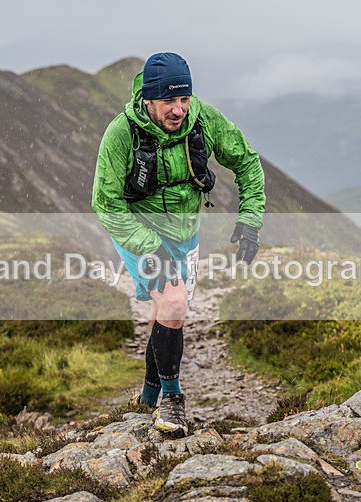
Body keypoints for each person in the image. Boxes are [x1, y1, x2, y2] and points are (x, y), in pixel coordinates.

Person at [92, 52, 265, 438]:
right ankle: (173, 400)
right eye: (169, 101)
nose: (179, 110)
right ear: (148, 100)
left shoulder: (204, 118)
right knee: (173, 302)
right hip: (138, 230)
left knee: (164, 311)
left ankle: (148, 398)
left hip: (185, 233)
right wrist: (147, 246)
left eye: (184, 99)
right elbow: (106, 204)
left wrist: (251, 218)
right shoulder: (121, 133)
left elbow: (248, 162)